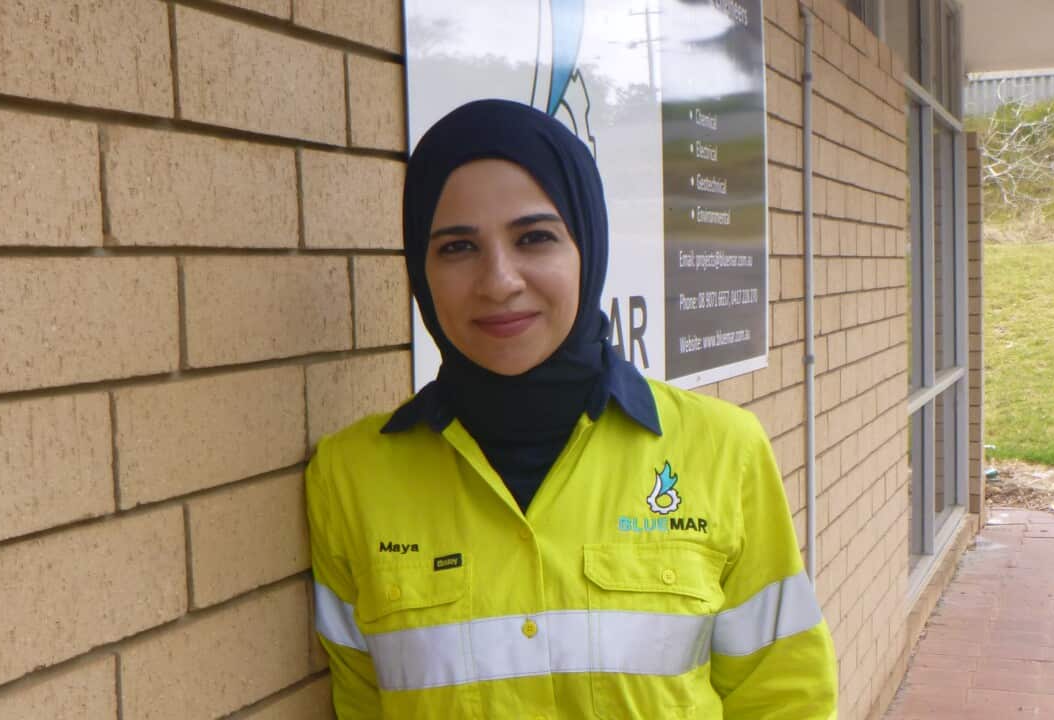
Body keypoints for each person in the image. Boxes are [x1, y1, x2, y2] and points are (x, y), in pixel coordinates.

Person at [306, 99, 837, 719]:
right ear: (420, 271)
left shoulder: (723, 450)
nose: (498, 280)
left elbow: (783, 697)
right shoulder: (350, 478)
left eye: (534, 237)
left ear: (588, 247)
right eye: (456, 247)